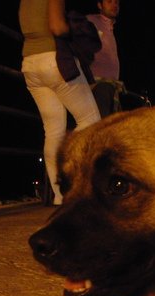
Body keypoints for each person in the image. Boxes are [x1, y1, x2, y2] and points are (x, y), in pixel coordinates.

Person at [19, 0, 101, 205]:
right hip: (54, 59)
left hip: (30, 63)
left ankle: (60, 193)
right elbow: (57, 26)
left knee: (53, 130)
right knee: (90, 120)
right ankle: (82, 182)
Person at [87, 0, 122, 117]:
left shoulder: (110, 27)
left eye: (117, 2)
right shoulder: (91, 20)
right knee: (100, 126)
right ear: (99, 5)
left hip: (109, 87)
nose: (114, 5)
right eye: (109, 2)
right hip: (97, 85)